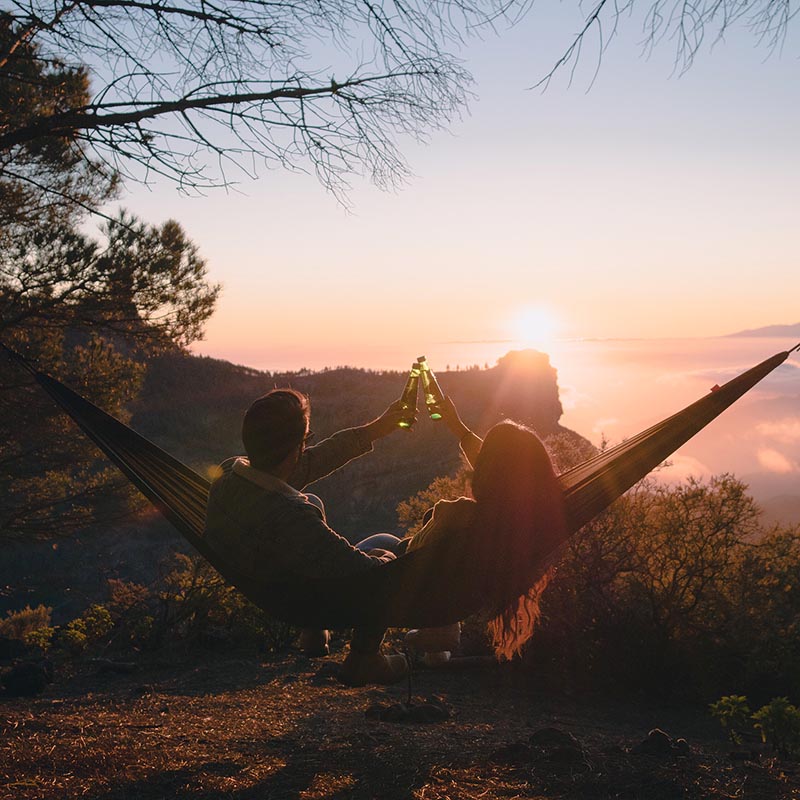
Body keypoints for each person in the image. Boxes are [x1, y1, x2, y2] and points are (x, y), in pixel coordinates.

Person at [204, 388, 412, 686]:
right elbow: (367, 572)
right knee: (388, 558)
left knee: (314, 500)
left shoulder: (230, 476)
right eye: (305, 441)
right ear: (295, 449)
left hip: (262, 574)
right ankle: (364, 658)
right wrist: (393, 561)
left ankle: (314, 634)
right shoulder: (290, 518)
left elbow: (312, 462)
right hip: (297, 596)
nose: (306, 449)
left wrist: (377, 429)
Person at [404, 398, 568, 662]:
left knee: (380, 544)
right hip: (458, 596)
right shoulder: (530, 519)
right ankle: (440, 632)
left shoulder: (460, 513)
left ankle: (377, 649)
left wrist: (431, 520)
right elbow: (508, 471)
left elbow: (412, 558)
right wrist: (457, 426)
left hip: (417, 584)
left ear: (484, 473)